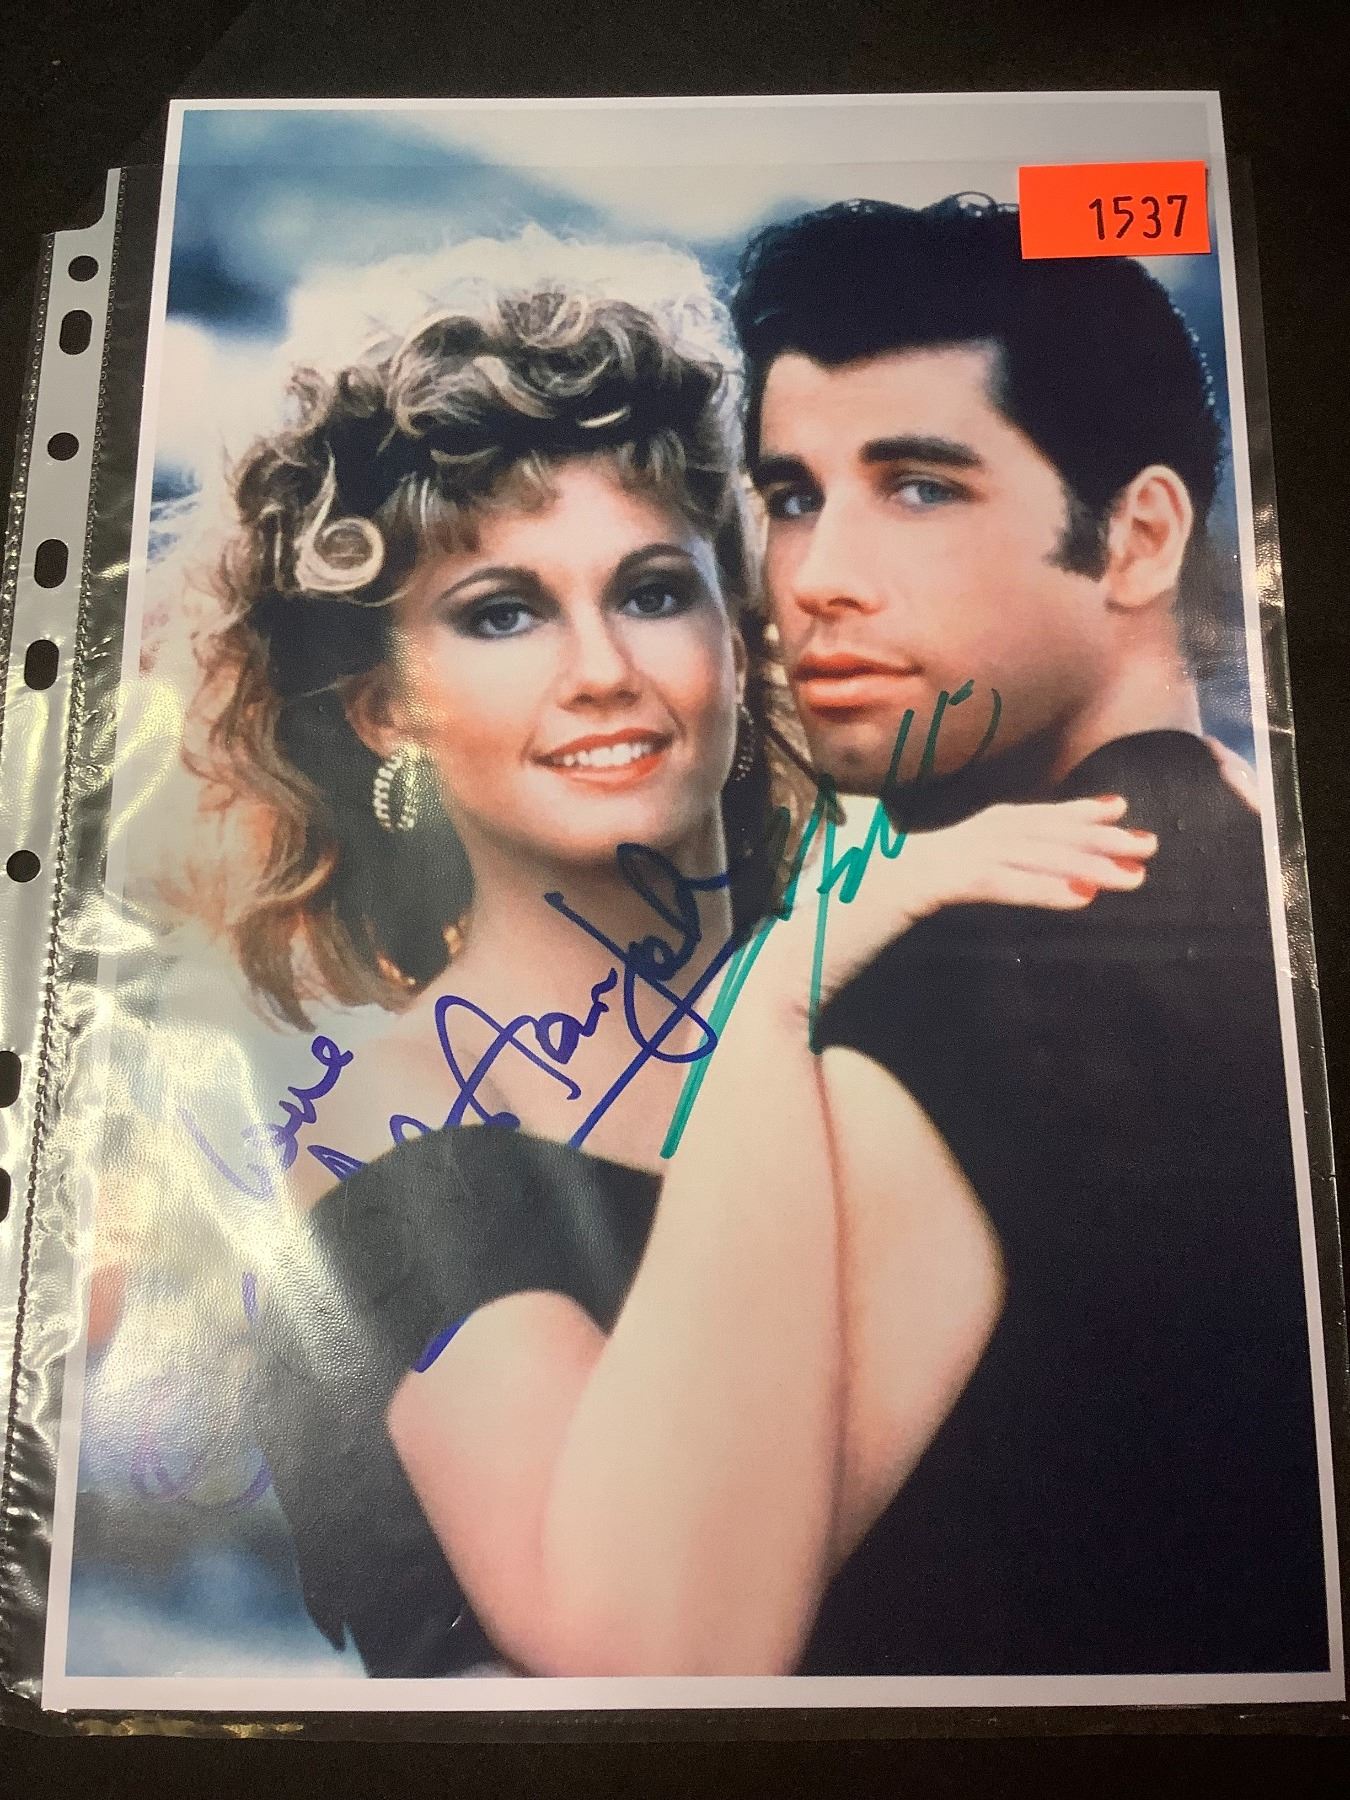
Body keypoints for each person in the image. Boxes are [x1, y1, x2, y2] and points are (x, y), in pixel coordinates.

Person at [172, 237, 1158, 1678]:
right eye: (502, 613)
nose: (602, 671)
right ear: (386, 706)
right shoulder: (389, 1131)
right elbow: (666, 1649)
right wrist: (769, 1010)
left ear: (738, 635)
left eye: (649, 591)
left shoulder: (909, 993)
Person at [730, 195, 1328, 1676]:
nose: (814, 578)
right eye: (792, 495)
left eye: (919, 488)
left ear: (1137, 538)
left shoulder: (950, 988)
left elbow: (674, 1646)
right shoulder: (1260, 875)